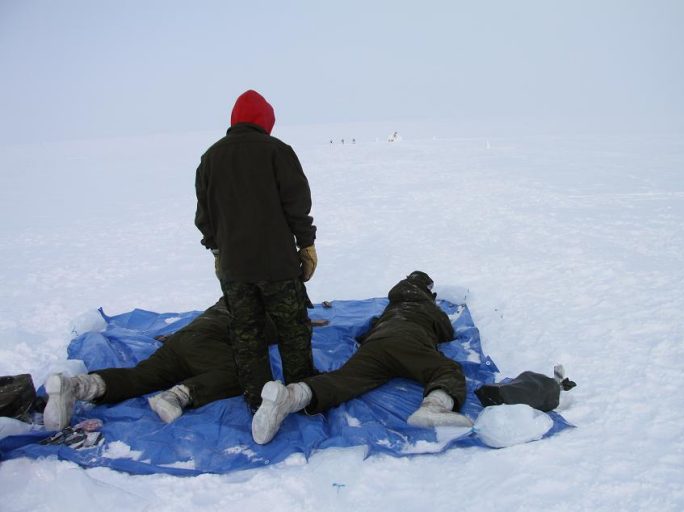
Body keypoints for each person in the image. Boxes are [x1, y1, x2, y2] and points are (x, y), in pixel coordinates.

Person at [194, 89, 318, 412]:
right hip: (278, 266)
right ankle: (300, 393)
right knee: (292, 329)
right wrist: (306, 244)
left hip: (235, 269)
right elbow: (297, 204)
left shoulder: (210, 158)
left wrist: (217, 251)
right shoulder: (278, 152)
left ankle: (257, 398)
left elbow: (204, 216)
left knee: (246, 333)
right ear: (265, 120)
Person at [251, 271, 473, 444]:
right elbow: (447, 332)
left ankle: (290, 397)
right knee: (446, 370)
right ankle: (434, 406)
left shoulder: (392, 307)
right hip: (410, 341)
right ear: (427, 292)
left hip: (377, 344)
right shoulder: (426, 306)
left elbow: (369, 330)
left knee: (342, 380)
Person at [43, 298, 241, 430]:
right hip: (209, 343)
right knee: (242, 373)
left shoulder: (231, 295)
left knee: (141, 377)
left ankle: (79, 386)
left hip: (181, 340)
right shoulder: (253, 302)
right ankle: (178, 396)